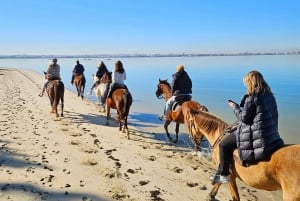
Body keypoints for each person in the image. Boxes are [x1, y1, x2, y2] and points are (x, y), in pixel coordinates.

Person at [213, 70, 284, 184]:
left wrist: (234, 107)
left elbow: (244, 119)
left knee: (223, 145)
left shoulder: (251, 97)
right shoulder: (270, 95)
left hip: (257, 135)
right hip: (271, 134)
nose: (246, 85)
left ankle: (224, 175)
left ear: (250, 82)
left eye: (246, 83)